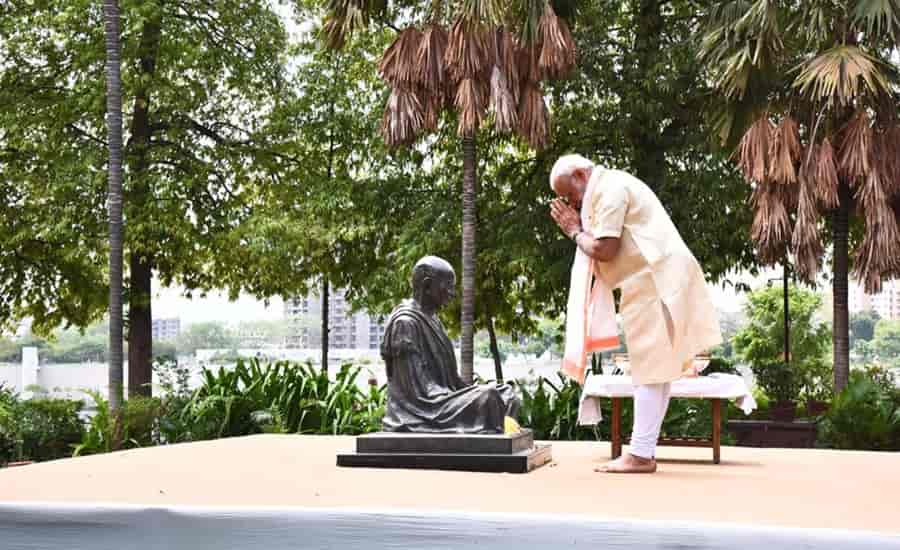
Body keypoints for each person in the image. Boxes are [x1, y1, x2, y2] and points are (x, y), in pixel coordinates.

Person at [549, 154, 721, 473]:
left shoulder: (610, 188)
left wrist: (573, 230)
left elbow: (605, 248)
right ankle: (643, 450)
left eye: (569, 193)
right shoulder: (610, 186)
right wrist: (578, 224)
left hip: (655, 277)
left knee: (649, 365)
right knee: (658, 366)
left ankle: (641, 454)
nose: (569, 202)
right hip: (656, 277)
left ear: (580, 175)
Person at [380, 255, 520, 433]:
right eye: (447, 286)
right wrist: (470, 396)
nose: (452, 293)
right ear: (428, 285)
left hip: (444, 397)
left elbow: (453, 381)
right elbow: (417, 389)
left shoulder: (434, 320)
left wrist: (472, 391)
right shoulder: (406, 323)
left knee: (506, 394)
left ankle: (502, 433)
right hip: (424, 407)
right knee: (489, 398)